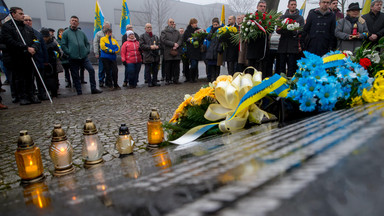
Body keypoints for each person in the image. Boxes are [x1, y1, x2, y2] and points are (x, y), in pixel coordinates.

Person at [1, 7, 40, 105]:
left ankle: (31, 95)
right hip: (16, 57)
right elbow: (9, 41)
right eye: (20, 14)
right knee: (19, 78)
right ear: (13, 14)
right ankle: (22, 97)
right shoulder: (7, 27)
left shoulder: (27, 28)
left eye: (23, 13)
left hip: (29, 56)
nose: (22, 15)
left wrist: (34, 47)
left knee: (30, 77)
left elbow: (35, 40)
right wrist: (26, 47)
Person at [61, 15, 102, 95]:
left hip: (83, 57)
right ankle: (79, 91)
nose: (74, 22)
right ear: (70, 22)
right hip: (73, 58)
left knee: (91, 70)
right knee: (75, 75)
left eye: (76, 21)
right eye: (72, 20)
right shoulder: (66, 33)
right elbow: (63, 45)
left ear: (78, 23)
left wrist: (86, 51)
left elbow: (87, 43)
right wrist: (69, 52)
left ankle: (93, 88)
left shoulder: (81, 33)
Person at [277, 0, 304, 77]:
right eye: (292, 4)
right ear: (288, 6)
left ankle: (290, 81)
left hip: (293, 45)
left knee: (291, 65)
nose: (293, 6)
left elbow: (302, 29)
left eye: (295, 4)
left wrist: (295, 30)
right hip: (283, 44)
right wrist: (284, 29)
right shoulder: (282, 17)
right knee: (281, 65)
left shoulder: (300, 18)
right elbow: (277, 30)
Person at [24, 15, 46, 102]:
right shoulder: (20, 33)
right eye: (26, 20)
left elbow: (43, 48)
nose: (28, 21)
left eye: (30, 20)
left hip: (39, 59)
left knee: (40, 78)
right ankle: (32, 95)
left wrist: (45, 60)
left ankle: (42, 94)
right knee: (30, 80)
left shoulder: (37, 33)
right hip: (27, 60)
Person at [247, 1, 269, 77]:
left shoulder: (268, 19)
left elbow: (270, 30)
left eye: (264, 6)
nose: (263, 8)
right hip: (252, 48)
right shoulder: (251, 18)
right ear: (257, 7)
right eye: (261, 6)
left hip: (263, 49)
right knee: (251, 71)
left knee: (261, 72)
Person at [160, 18, 182, 85]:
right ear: (168, 23)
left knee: (176, 67)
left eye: (173, 22)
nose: (172, 23)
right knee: (168, 67)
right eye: (170, 22)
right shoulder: (164, 32)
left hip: (176, 51)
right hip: (168, 52)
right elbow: (163, 40)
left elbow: (180, 39)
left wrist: (177, 44)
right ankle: (168, 79)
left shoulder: (177, 32)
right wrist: (173, 44)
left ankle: (176, 79)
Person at [41, 28, 61, 97]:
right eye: (43, 37)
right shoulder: (39, 44)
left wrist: (55, 54)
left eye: (46, 37)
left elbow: (59, 53)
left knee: (53, 79)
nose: (44, 38)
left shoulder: (53, 44)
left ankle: (54, 93)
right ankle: (43, 93)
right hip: (42, 64)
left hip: (52, 64)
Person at [140, 23, 161, 87]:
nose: (149, 28)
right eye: (148, 27)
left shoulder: (155, 36)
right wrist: (150, 47)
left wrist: (157, 46)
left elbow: (159, 44)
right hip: (148, 55)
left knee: (155, 69)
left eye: (150, 27)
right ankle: (149, 82)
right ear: (145, 28)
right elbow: (141, 45)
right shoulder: (142, 36)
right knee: (148, 70)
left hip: (155, 55)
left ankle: (154, 81)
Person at [93, 21, 113, 88]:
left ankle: (108, 81)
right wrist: (96, 53)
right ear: (104, 27)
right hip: (102, 54)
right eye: (107, 27)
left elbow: (114, 42)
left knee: (109, 68)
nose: (108, 29)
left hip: (110, 54)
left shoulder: (111, 34)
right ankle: (101, 81)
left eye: (109, 27)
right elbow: (95, 43)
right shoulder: (98, 34)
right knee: (101, 68)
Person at [183, 18, 201, 82]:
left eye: (196, 23)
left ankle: (194, 77)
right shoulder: (187, 31)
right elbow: (185, 39)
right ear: (191, 24)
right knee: (193, 64)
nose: (196, 24)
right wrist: (192, 39)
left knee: (196, 64)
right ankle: (190, 77)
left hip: (197, 50)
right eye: (195, 23)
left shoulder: (198, 30)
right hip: (191, 50)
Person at [205, 18, 221, 82]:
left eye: (216, 24)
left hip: (217, 50)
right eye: (214, 25)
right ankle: (212, 78)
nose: (215, 26)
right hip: (211, 51)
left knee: (217, 66)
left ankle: (217, 78)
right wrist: (212, 31)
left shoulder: (220, 30)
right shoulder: (210, 30)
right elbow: (208, 38)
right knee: (211, 67)